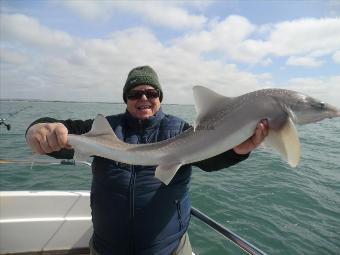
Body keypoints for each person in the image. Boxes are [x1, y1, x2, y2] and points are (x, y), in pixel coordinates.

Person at [26, 66, 268, 255]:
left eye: (151, 93)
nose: (144, 97)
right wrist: (38, 128)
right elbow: (64, 133)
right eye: (135, 93)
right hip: (107, 248)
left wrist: (237, 150)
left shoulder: (183, 132)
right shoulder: (103, 128)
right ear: (126, 99)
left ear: (159, 97)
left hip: (168, 248)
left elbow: (211, 160)